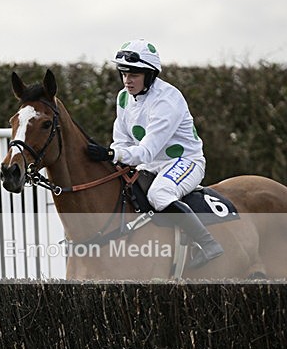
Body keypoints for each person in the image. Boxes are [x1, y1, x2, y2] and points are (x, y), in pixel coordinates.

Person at [87, 38, 224, 268]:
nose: (127, 81)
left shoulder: (166, 100)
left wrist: (112, 155)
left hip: (184, 161)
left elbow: (146, 151)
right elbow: (121, 140)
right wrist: (114, 156)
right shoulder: (123, 98)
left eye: (134, 75)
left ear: (149, 75)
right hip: (150, 165)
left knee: (159, 194)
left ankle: (208, 244)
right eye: (123, 74)